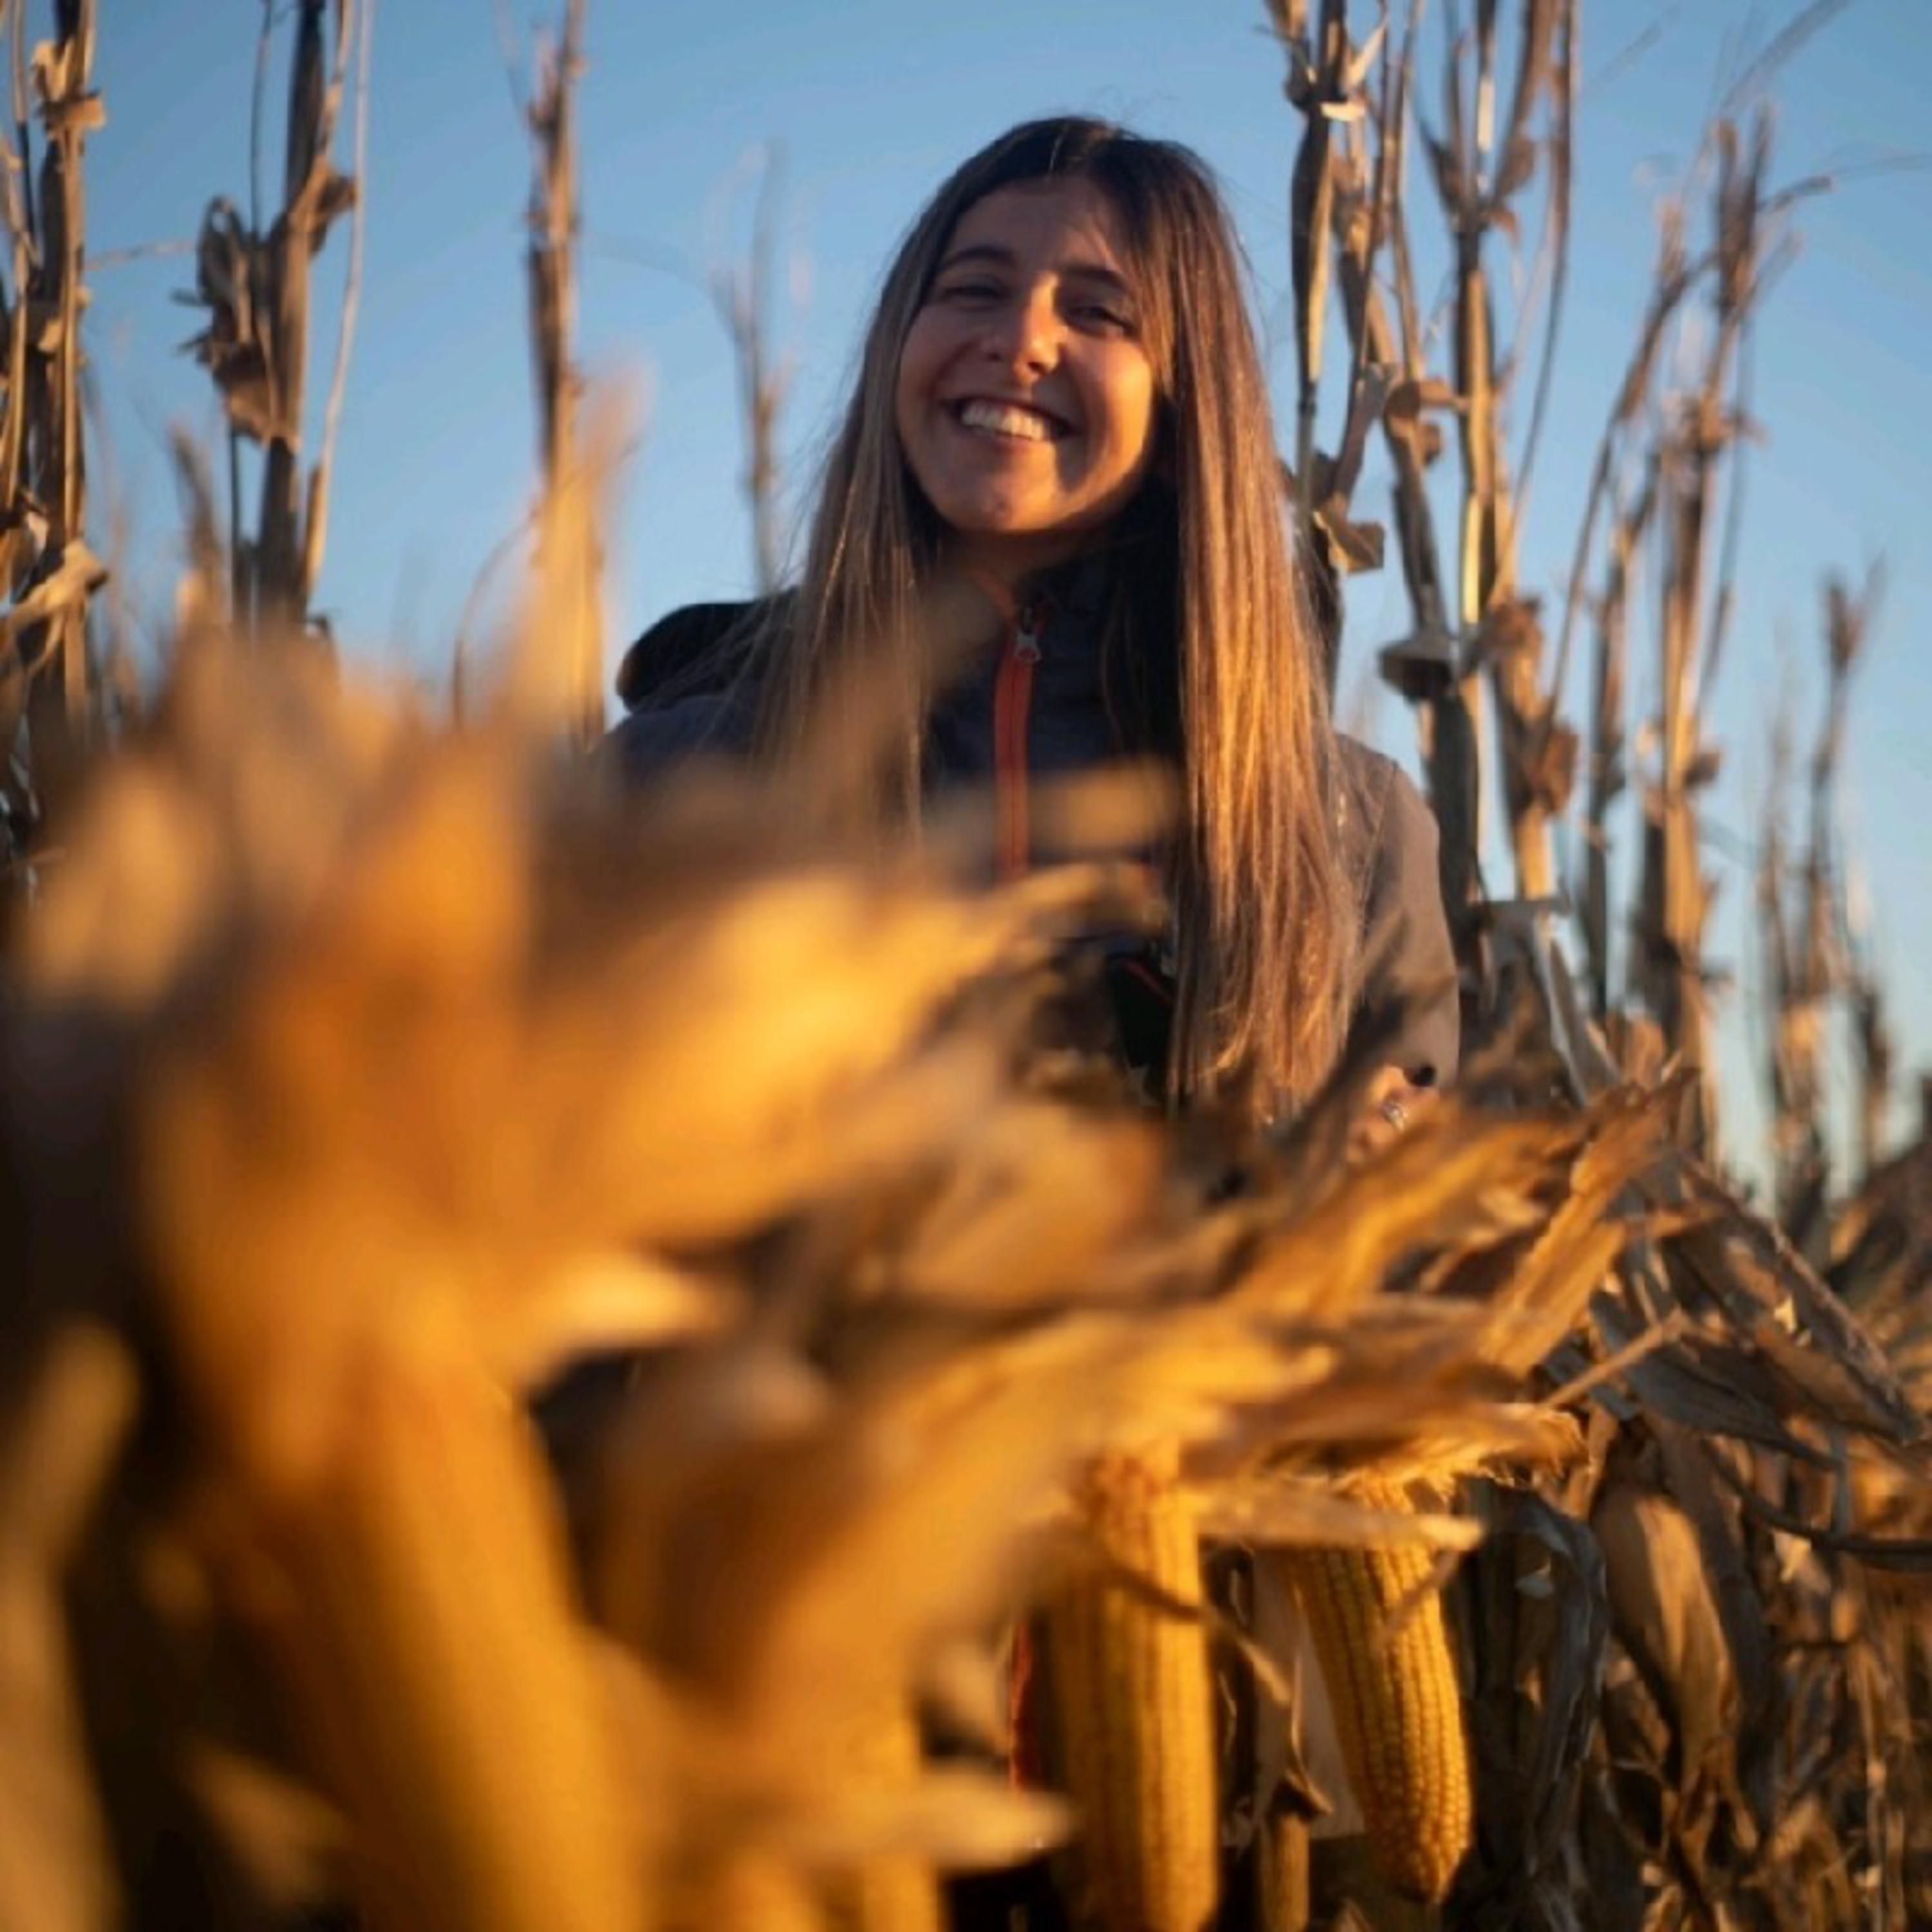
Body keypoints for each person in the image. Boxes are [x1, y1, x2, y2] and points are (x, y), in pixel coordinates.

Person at [609, 115, 1457, 1128]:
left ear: (1188, 404)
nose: (1019, 340)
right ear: (898, 348)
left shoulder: (1348, 835)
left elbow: (1407, 1252)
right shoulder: (671, 783)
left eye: (1100, 314)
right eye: (974, 289)